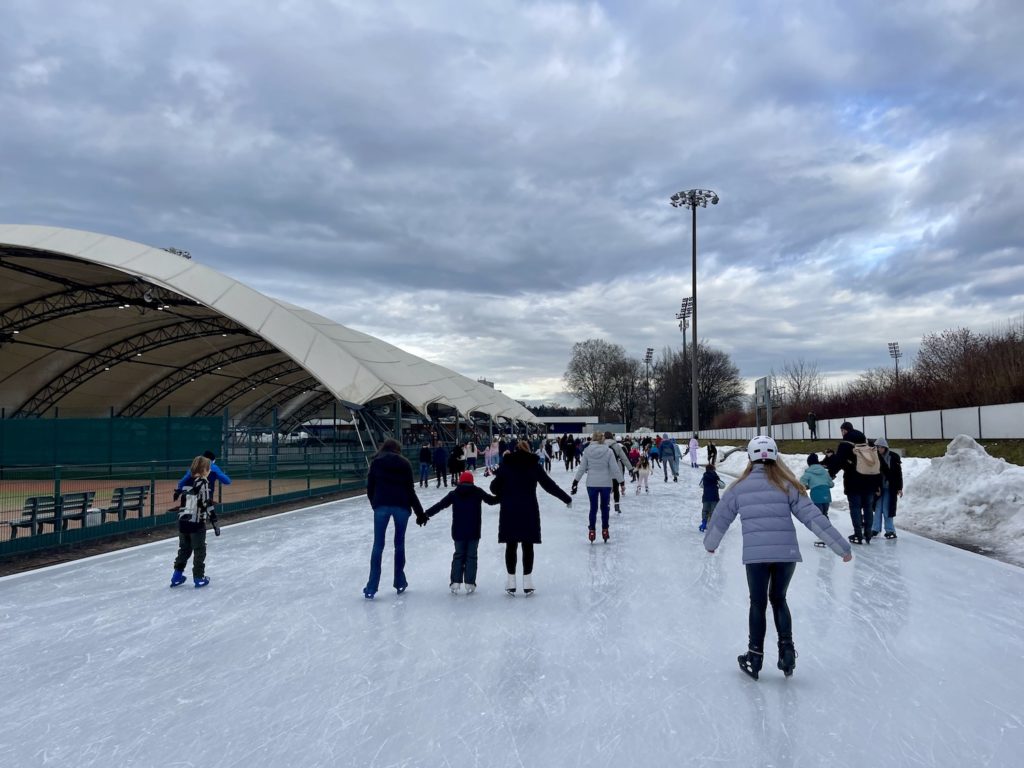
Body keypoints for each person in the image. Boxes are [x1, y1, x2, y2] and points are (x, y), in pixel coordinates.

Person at [704, 436, 852, 680]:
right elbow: (814, 518)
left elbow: (720, 518)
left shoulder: (739, 487)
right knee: (779, 600)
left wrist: (711, 545)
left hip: (756, 556)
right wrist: (841, 548)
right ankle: (786, 653)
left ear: (750, 457)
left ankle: (754, 656)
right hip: (786, 555)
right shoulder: (788, 485)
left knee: (758, 603)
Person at [490, 440, 572, 595]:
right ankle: (527, 582)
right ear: (529, 450)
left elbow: (494, 488)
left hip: (510, 510)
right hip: (528, 509)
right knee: (528, 545)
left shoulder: (506, 465)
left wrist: (505, 489)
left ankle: (511, 581)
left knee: (511, 545)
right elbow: (549, 485)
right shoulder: (534, 465)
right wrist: (566, 498)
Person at [363, 439, 425, 599]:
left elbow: (370, 487)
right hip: (401, 506)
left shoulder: (376, 463)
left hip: (381, 505)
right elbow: (410, 490)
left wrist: (375, 503)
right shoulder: (404, 463)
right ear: (398, 449)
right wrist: (420, 513)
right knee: (399, 544)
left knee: (378, 545)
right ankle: (399, 581)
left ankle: (371, 586)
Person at [420, 471, 498, 594]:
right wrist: (505, 494)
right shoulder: (477, 491)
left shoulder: (454, 493)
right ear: (472, 481)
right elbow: (491, 501)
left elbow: (440, 505)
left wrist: (425, 514)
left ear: (460, 481)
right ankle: (470, 583)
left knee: (458, 555)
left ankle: (455, 582)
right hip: (474, 531)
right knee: (471, 556)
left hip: (458, 531)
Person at [825, 421, 882, 545]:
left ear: (845, 431)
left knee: (855, 507)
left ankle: (858, 534)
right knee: (867, 507)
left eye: (842, 431)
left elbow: (838, 462)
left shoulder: (845, 444)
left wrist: (830, 474)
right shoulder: (867, 443)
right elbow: (877, 463)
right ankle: (868, 533)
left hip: (854, 481)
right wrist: (877, 483)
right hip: (870, 481)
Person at [170, 455, 216, 588]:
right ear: (204, 470)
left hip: (183, 521)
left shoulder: (186, 481)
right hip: (197, 523)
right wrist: (214, 519)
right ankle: (199, 577)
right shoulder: (203, 482)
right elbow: (207, 503)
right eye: (209, 469)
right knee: (199, 549)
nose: (210, 471)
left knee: (184, 549)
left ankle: (176, 576)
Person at [572, 432, 619, 543]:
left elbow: (582, 468)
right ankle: (605, 529)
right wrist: (621, 482)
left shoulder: (587, 451)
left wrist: (575, 481)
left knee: (593, 508)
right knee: (605, 508)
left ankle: (592, 530)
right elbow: (614, 468)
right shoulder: (609, 451)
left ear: (593, 439)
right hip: (606, 484)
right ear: (603, 439)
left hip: (591, 483)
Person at [873, 438, 903, 539]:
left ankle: (890, 530)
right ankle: (875, 529)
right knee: (878, 508)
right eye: (877, 447)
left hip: (890, 487)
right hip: (878, 487)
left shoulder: (893, 457)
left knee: (887, 509)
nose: (878, 449)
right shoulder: (874, 457)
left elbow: (898, 473)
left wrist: (899, 487)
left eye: (880, 447)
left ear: (885, 447)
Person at [606, 432, 633, 514]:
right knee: (616, 488)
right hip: (616, 469)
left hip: (605, 470)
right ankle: (617, 504)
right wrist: (630, 468)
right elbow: (624, 458)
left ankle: (607, 505)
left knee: (606, 490)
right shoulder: (617, 446)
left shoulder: (602, 446)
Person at [698, 463, 725, 532]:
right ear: (713, 469)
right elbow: (723, 485)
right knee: (713, 511)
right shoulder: (716, 476)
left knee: (705, 511)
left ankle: (704, 523)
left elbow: (701, 485)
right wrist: (717, 486)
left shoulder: (704, 476)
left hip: (706, 497)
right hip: (714, 497)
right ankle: (712, 524)